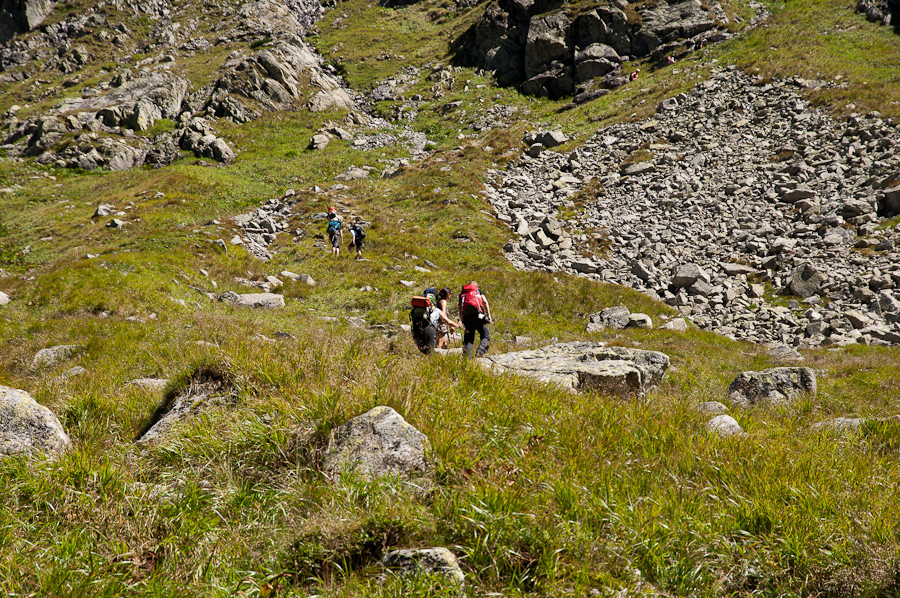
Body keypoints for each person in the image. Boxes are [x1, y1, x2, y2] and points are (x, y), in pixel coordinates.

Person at [458, 281, 492, 358]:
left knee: (469, 339)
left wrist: (463, 320)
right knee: (485, 335)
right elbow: (485, 302)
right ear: (476, 286)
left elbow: (460, 308)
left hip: (467, 317)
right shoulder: (477, 290)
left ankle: (467, 358)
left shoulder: (462, 294)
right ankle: (480, 352)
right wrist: (488, 315)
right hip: (478, 316)